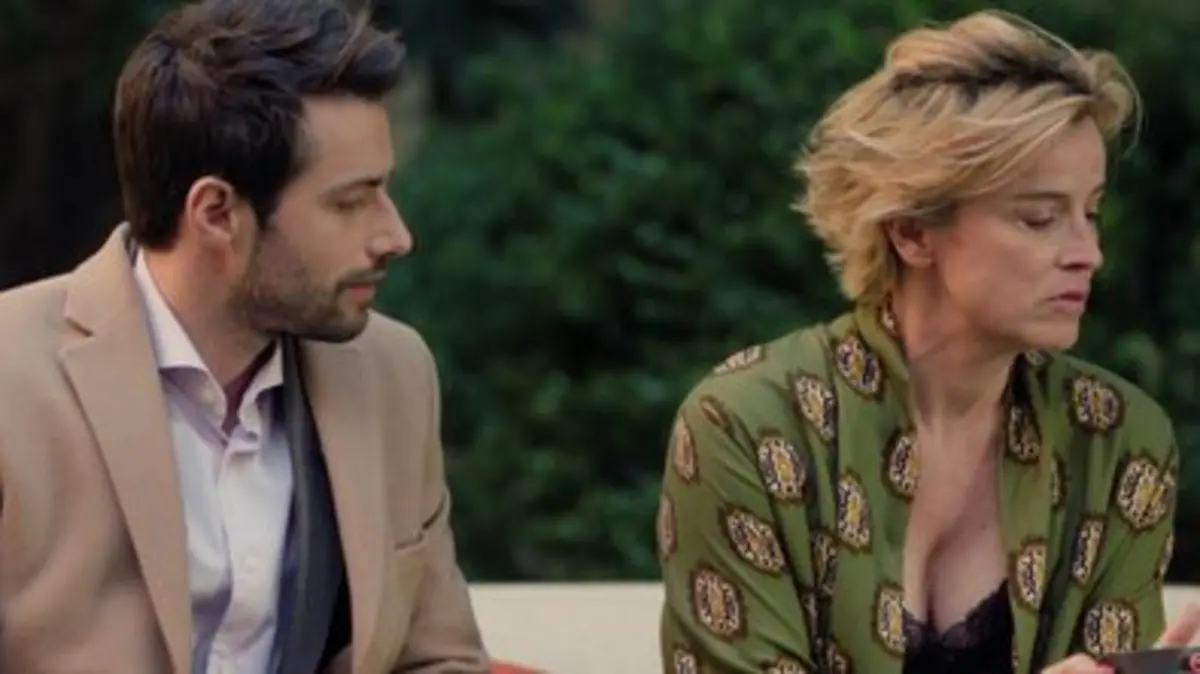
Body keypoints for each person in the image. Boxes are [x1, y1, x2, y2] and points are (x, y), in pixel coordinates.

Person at [657, 10, 1198, 674]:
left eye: (1091, 212)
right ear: (912, 232)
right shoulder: (746, 423)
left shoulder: (1118, 442)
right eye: (1039, 218)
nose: (1089, 253)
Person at [0, 1, 488, 672]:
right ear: (217, 213)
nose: (395, 235)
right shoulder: (12, 380)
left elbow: (437, 658)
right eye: (350, 202)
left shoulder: (394, 374)